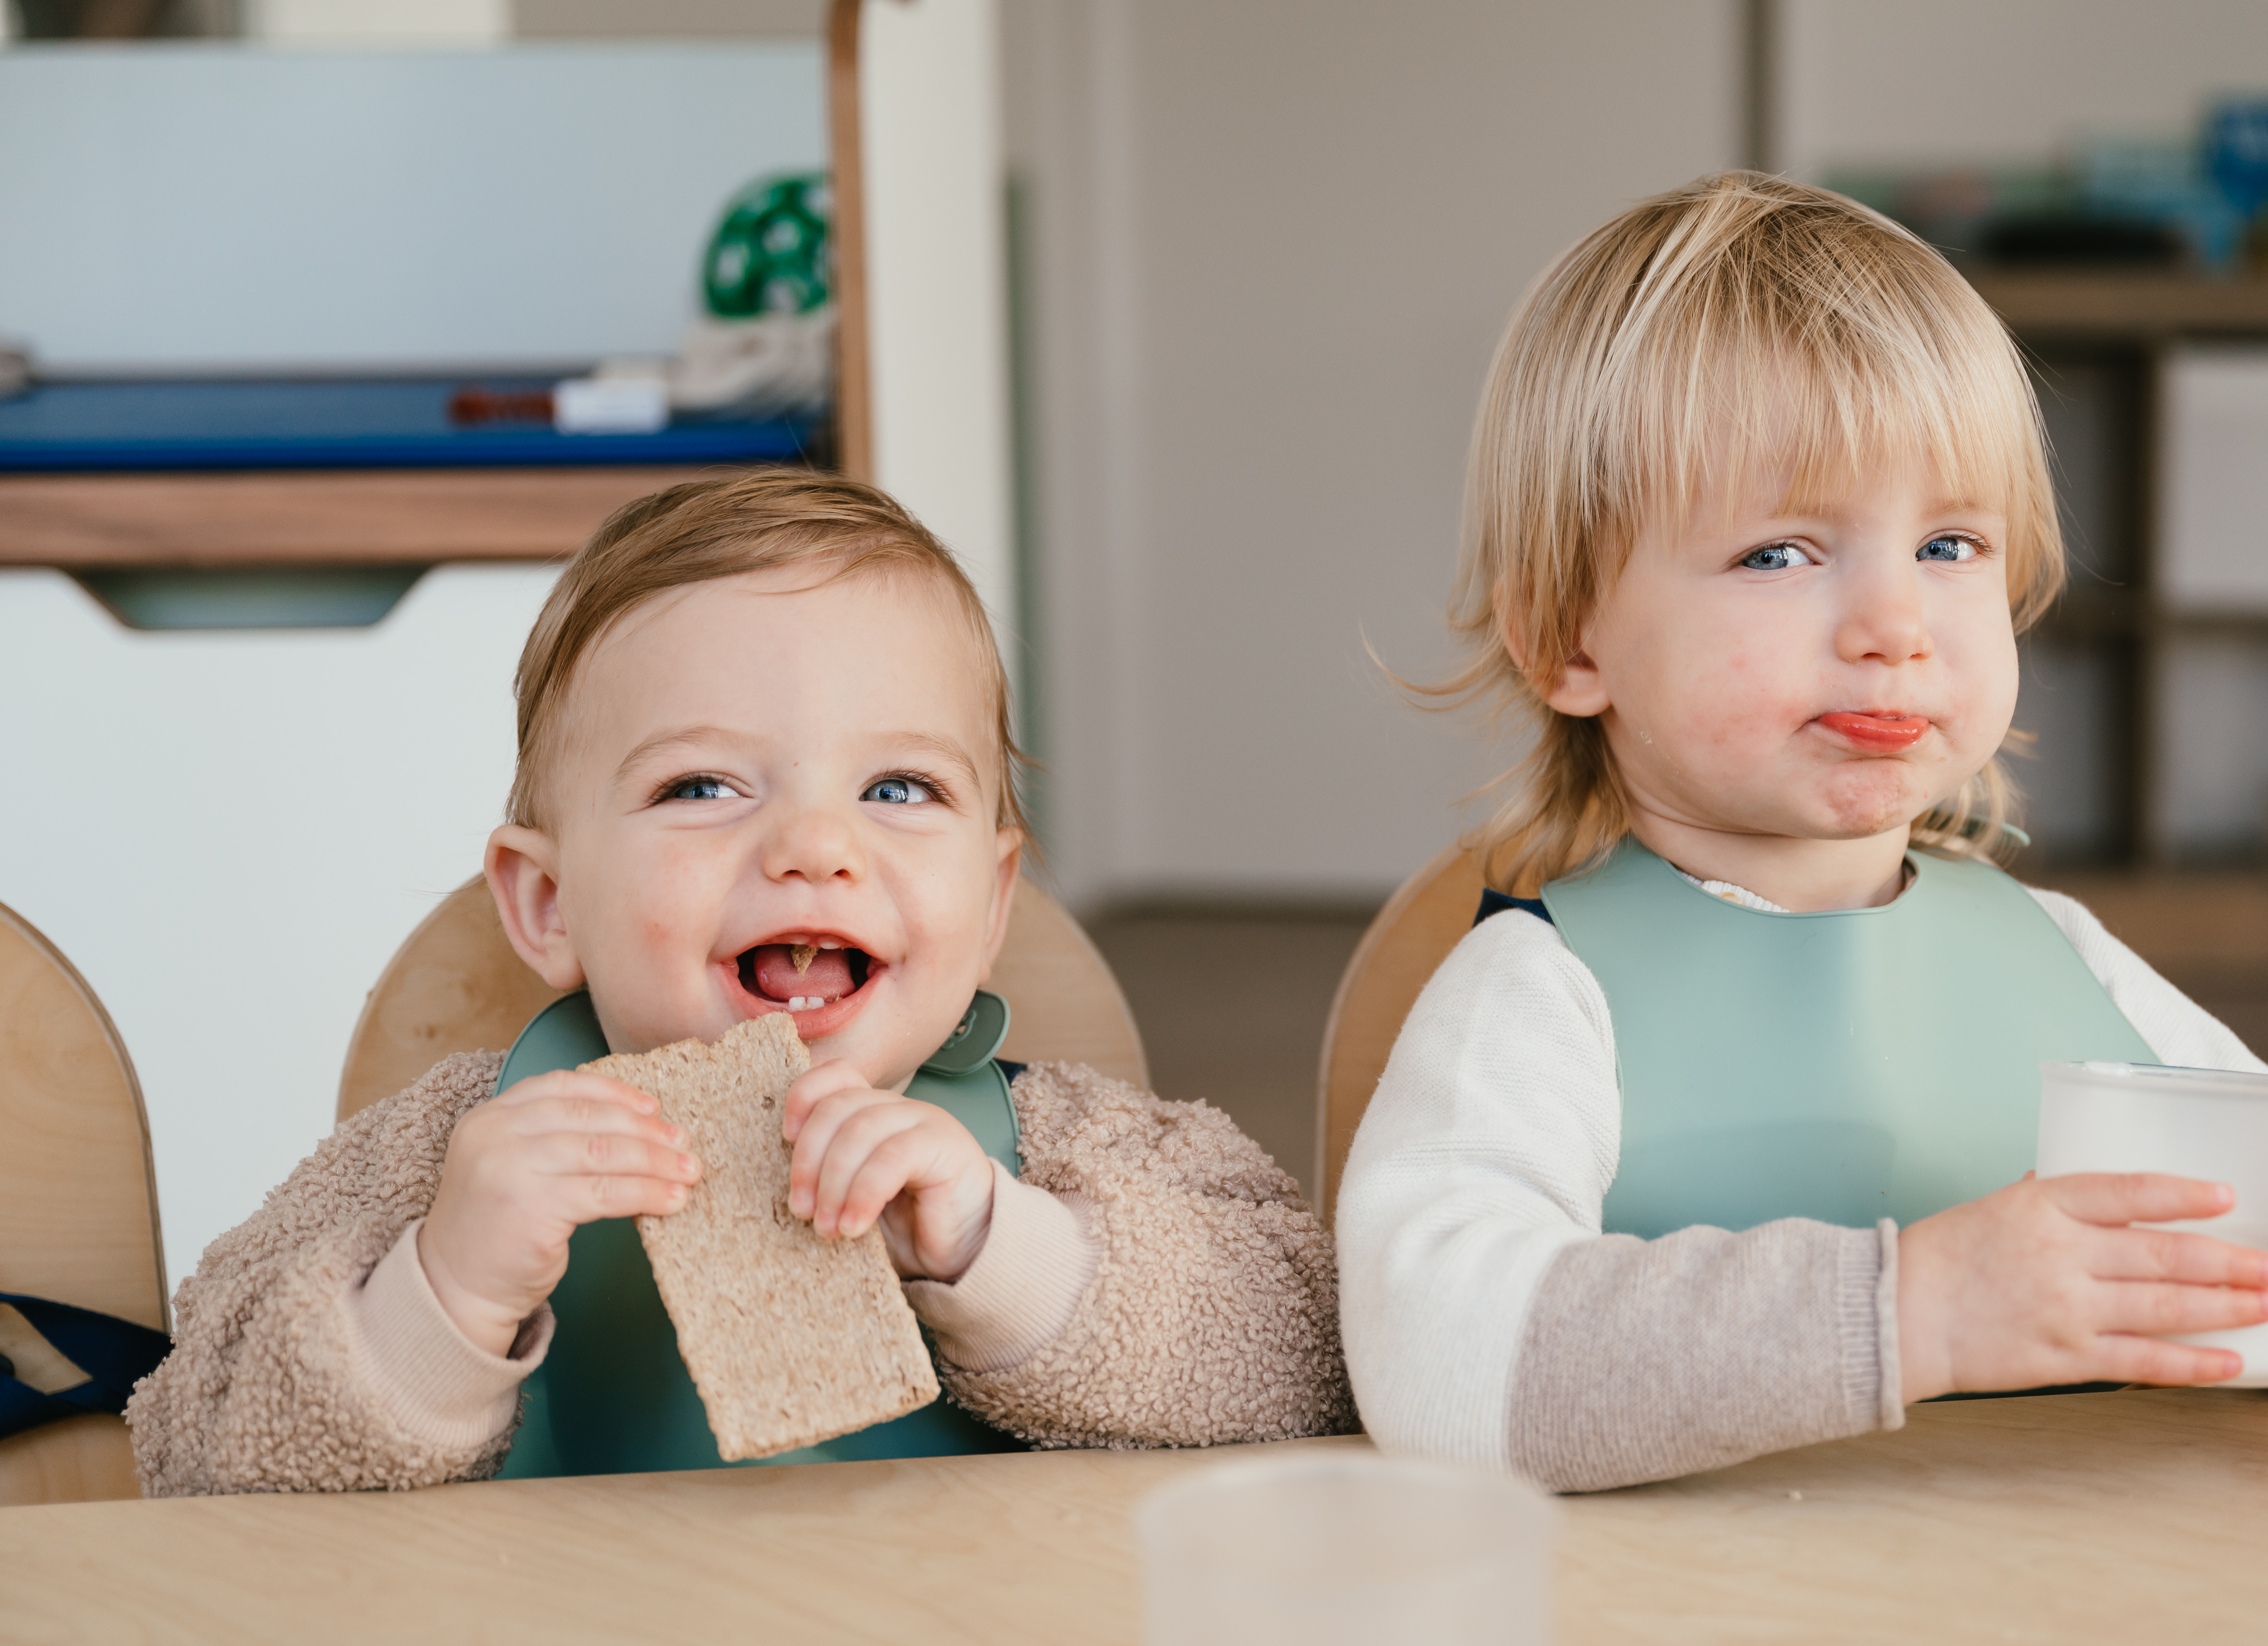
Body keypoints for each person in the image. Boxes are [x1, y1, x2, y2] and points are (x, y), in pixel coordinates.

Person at [1337, 173, 2268, 1494]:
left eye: (1951, 545)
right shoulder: (1542, 993)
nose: (1895, 626)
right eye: (1781, 554)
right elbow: (1439, 1363)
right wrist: (1914, 1310)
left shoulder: (2058, 956)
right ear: (1569, 641)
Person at [130, 471, 1352, 1494]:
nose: (815, 845)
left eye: (898, 788)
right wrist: (442, 1296)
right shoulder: (447, 1153)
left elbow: (1308, 1356)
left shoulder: (1064, 1145)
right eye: (703, 786)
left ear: (991, 906)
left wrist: (1003, 1249)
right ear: (549, 903)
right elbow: (190, 1443)